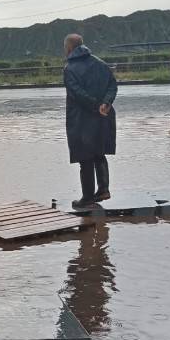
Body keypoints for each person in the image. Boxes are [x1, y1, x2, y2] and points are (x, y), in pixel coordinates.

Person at [63, 34, 117, 210]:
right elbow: (112, 85)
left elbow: (77, 93)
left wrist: (96, 106)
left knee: (85, 158)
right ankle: (103, 189)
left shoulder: (70, 69)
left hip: (82, 119)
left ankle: (87, 197)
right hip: (103, 116)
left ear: (69, 48)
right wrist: (106, 103)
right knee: (99, 153)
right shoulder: (101, 63)